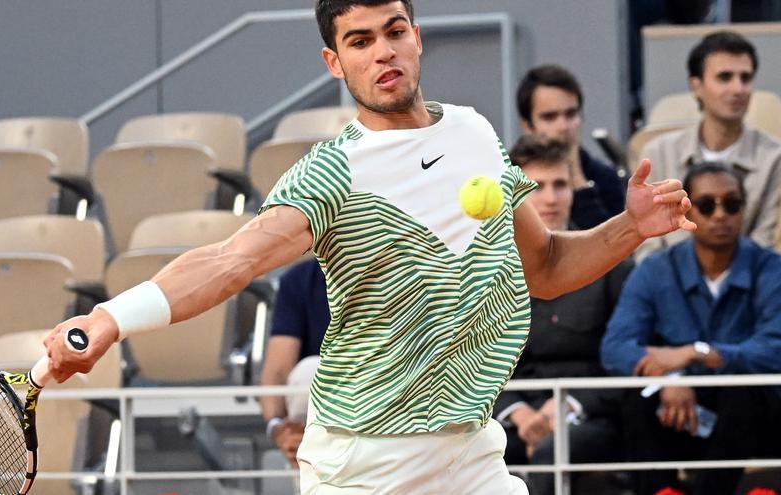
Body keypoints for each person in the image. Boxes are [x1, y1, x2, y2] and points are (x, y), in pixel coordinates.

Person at [44, 1, 694, 493]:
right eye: (360, 41)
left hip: (468, 447)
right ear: (335, 62)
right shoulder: (332, 173)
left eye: (393, 31)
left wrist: (631, 226)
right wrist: (108, 318)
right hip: (365, 459)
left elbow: (547, 266)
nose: (382, 52)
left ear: (417, 36)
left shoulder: (472, 131)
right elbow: (228, 261)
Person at [601, 163, 781, 495]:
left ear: (744, 209)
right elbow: (615, 347)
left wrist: (698, 354)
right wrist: (670, 377)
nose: (720, 215)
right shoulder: (655, 269)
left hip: (755, 418)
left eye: (732, 204)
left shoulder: (772, 269)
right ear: (688, 208)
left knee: (745, 392)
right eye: (707, 204)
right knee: (636, 399)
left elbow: (774, 349)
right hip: (679, 411)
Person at [496, 135, 632, 495]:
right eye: (536, 186)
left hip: (591, 418)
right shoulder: (483, 271)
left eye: (561, 185)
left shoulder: (609, 264)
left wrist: (567, 406)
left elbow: (624, 360)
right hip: (509, 416)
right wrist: (517, 411)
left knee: (550, 451)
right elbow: (470, 361)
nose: (551, 198)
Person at [637, 31, 781, 258]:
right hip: (668, 282)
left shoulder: (774, 157)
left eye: (745, 78)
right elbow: (647, 241)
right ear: (697, 86)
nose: (738, 89)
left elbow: (764, 244)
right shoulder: (658, 153)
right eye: (725, 77)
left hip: (746, 285)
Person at [517, 64, 626, 229]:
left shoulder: (605, 177)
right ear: (527, 126)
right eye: (549, 117)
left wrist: (577, 178)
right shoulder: (507, 175)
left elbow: (612, 246)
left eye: (570, 114)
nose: (563, 126)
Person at [260, 258, 329, 469]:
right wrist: (279, 428)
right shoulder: (299, 279)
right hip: (323, 406)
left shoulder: (404, 272)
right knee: (309, 372)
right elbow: (278, 371)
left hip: (387, 392)